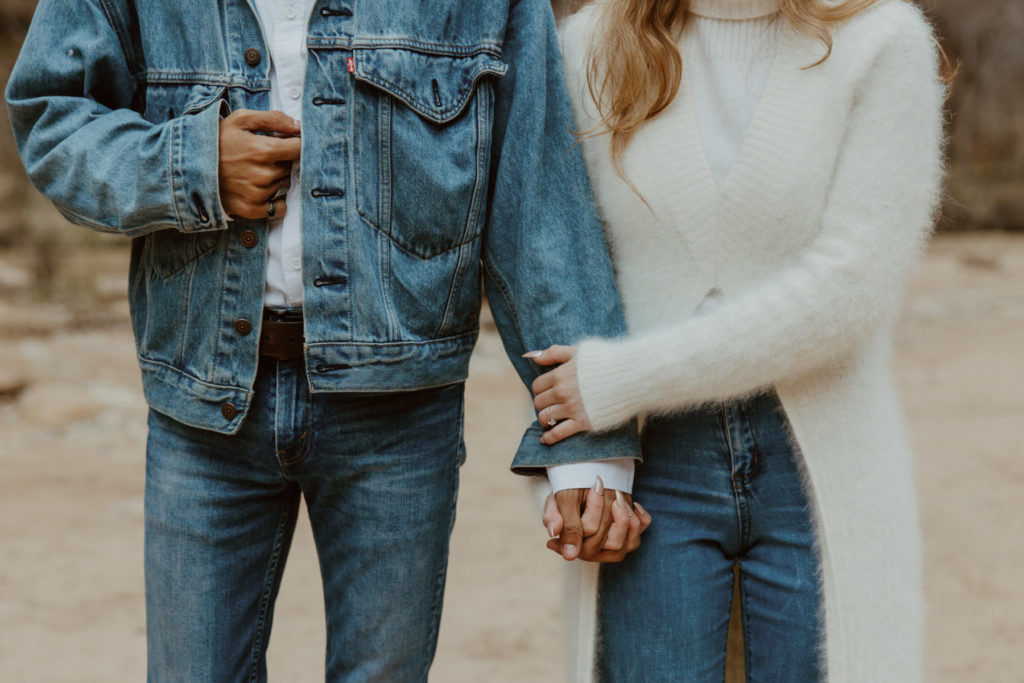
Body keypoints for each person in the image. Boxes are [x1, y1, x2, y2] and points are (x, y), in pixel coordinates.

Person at [5, 1, 648, 680]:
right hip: (203, 403)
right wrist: (192, 164)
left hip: (400, 413)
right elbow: (53, 115)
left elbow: (536, 186)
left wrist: (587, 440)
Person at [528, 0, 949, 679]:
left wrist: (622, 379)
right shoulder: (594, 42)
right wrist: (575, 463)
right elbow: (554, 259)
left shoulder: (881, 38)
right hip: (649, 466)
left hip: (817, 463)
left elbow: (851, 288)